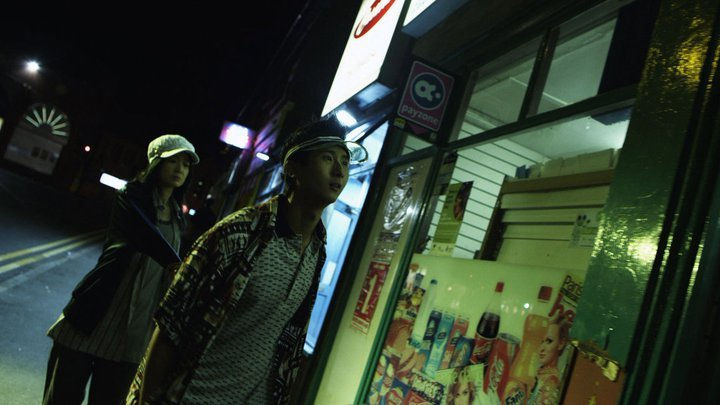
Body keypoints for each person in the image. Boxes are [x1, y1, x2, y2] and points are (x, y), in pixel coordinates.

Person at [126, 118, 368, 404]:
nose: (340, 171)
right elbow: (170, 327)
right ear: (293, 169)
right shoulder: (238, 234)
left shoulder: (317, 251)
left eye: (345, 162)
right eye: (327, 158)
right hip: (192, 396)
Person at [43, 134, 199, 405]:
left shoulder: (177, 217)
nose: (180, 169)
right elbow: (144, 235)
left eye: (185, 164)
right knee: (61, 399)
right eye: (172, 161)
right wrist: (177, 264)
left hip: (134, 333)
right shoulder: (131, 196)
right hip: (94, 315)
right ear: (156, 163)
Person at [527, 313, 571, 405]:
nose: (541, 348)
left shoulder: (551, 382)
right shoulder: (540, 374)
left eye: (549, 341)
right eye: (541, 341)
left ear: (561, 343)